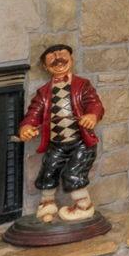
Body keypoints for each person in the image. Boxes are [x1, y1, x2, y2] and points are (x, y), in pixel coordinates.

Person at [17, 43, 103, 223]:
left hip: (81, 142)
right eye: (52, 59)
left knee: (73, 174)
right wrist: (26, 127)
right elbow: (34, 113)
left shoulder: (82, 85)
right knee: (48, 171)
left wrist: (92, 115)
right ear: (45, 66)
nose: (59, 61)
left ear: (71, 59)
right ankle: (47, 204)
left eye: (63, 57)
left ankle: (83, 207)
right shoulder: (43, 93)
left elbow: (95, 104)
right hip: (56, 144)